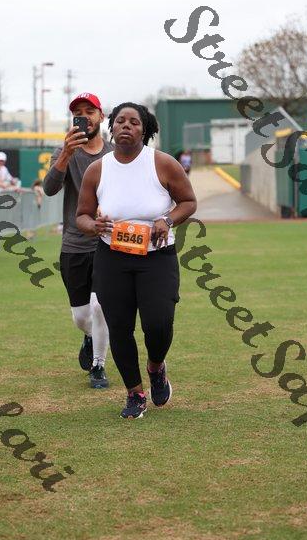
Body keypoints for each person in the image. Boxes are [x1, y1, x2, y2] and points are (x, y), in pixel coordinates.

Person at [76, 102, 197, 418]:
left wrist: (167, 220)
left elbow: (188, 202)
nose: (126, 126)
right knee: (119, 327)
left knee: (159, 323)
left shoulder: (163, 163)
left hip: (157, 257)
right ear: (111, 127)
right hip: (112, 258)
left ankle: (156, 367)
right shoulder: (97, 170)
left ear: (145, 130)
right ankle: (135, 394)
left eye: (134, 122)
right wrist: (94, 225)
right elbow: (82, 216)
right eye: (120, 121)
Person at [43, 92, 112, 388]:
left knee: (100, 308)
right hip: (74, 244)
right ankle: (89, 336)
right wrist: (65, 155)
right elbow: (49, 189)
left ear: (101, 116)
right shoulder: (65, 152)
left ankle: (98, 365)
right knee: (81, 316)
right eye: (78, 113)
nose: (84, 117)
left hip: (109, 243)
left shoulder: (115, 153)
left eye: (89, 111)